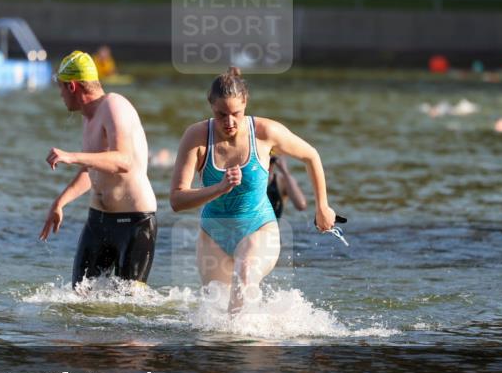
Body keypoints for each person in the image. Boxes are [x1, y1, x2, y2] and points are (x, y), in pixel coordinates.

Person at [170, 68, 337, 315]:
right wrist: (219, 188)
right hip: (213, 235)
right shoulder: (196, 137)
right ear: (211, 106)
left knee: (245, 272)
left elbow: (311, 156)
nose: (229, 122)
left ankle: (252, 337)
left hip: (258, 228)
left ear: (245, 103)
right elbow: (176, 199)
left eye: (236, 113)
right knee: (216, 314)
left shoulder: (265, 132)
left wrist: (322, 206)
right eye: (221, 115)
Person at [39, 51, 158, 291]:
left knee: (130, 304)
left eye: (61, 87)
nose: (60, 94)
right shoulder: (88, 117)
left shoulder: (114, 105)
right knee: (79, 297)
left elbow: (124, 161)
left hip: (134, 223)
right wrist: (60, 202)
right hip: (98, 222)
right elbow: (93, 169)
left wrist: (72, 156)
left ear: (72, 86)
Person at [267, 154, 307, 219]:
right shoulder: (251, 179)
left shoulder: (282, 180)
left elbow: (301, 205)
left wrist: (284, 171)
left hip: (274, 224)